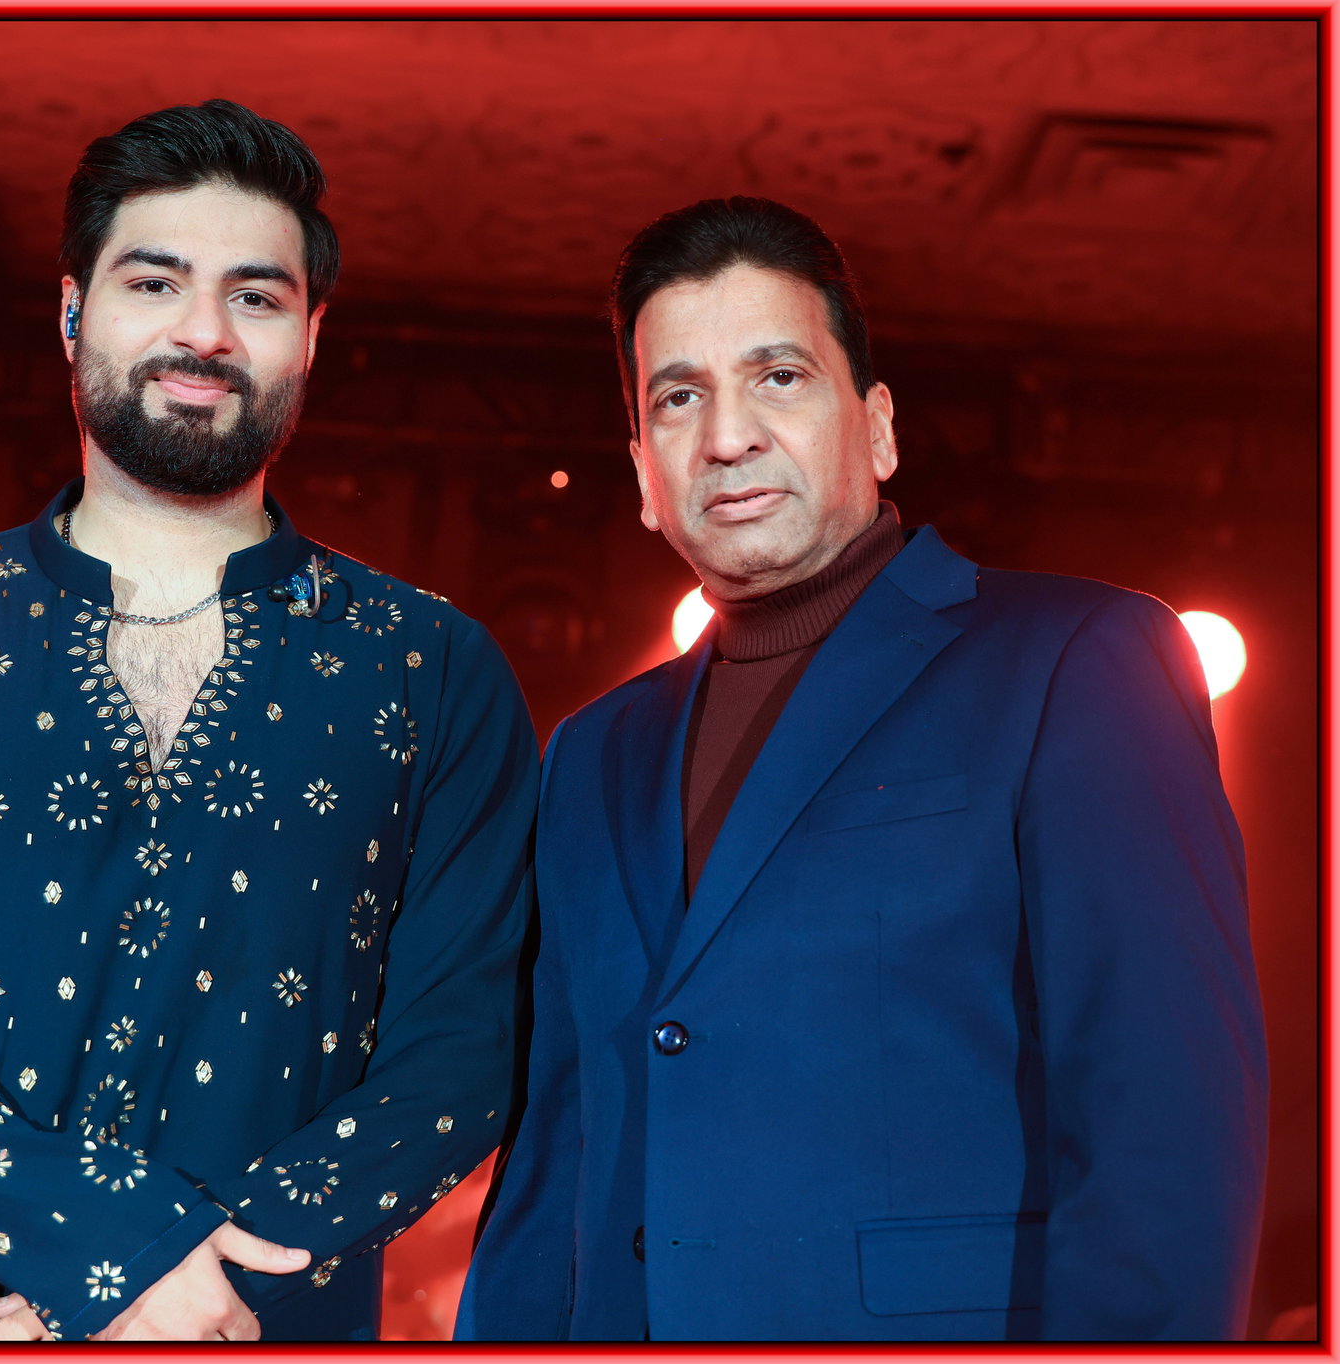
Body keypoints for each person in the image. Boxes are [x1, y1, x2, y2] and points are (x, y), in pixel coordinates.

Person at [0, 99, 537, 1344]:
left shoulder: (430, 668)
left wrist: (193, 1286)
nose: (201, 332)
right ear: (73, 311)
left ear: (310, 337)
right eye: (154, 281)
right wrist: (102, 1249)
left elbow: (461, 1052)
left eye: (254, 296)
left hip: (250, 1317)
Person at [457, 196, 1266, 1341]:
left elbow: (1162, 1124)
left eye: (776, 377)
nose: (725, 436)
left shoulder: (1075, 659)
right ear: (641, 472)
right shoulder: (590, 751)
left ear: (876, 428)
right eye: (677, 397)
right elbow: (554, 1156)